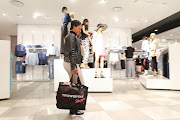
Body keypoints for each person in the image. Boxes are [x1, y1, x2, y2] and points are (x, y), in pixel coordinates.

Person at [63, 20, 84, 115]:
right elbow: (72, 51)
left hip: (71, 63)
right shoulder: (71, 36)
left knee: (75, 85)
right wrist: (73, 67)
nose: (80, 30)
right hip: (71, 63)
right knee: (76, 85)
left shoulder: (72, 36)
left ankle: (73, 109)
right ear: (74, 27)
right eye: (79, 28)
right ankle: (73, 108)